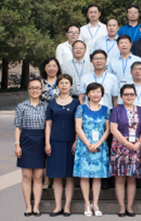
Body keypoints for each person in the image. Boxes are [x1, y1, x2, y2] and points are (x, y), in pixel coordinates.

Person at [44, 75, 79, 217]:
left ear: (71, 85)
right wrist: (47, 142)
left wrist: (76, 141)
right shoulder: (52, 103)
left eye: (67, 83)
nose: (64, 85)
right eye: (61, 83)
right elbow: (48, 124)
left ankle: (67, 206)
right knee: (57, 176)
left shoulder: (76, 103)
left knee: (70, 176)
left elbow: (79, 124)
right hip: (55, 142)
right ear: (57, 86)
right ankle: (58, 206)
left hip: (71, 142)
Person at [74, 82, 110, 217]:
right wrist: (89, 144)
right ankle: (87, 203)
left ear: (102, 94)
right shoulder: (81, 108)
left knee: (97, 176)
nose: (96, 94)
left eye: (98, 92)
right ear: (88, 94)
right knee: (84, 175)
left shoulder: (106, 109)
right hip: (84, 145)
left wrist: (98, 143)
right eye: (93, 92)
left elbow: (108, 129)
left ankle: (95, 203)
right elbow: (78, 128)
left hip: (100, 146)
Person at [109, 84, 141, 217]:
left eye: (131, 94)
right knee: (120, 178)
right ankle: (121, 207)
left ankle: (129, 207)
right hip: (119, 146)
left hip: (136, 147)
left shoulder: (140, 110)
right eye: (126, 94)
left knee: (131, 178)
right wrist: (126, 143)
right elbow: (113, 129)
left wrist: (139, 143)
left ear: (135, 96)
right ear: (121, 96)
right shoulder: (116, 110)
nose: (129, 97)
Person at [15, 78, 47, 216]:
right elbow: (18, 127)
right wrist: (17, 145)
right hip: (26, 140)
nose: (35, 90)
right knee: (27, 176)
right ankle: (28, 206)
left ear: (41, 90)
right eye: (32, 88)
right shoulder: (21, 106)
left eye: (38, 88)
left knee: (38, 177)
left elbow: (49, 126)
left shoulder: (46, 106)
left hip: (41, 140)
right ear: (28, 90)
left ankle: (36, 207)